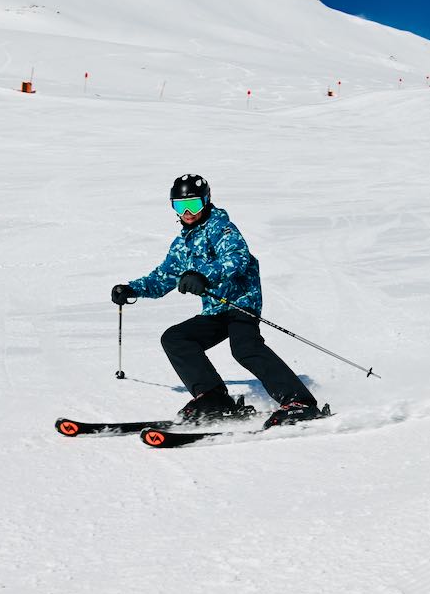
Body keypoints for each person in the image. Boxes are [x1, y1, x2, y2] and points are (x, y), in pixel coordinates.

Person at [111, 174, 320, 427]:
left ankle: (300, 402)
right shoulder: (183, 244)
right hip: (215, 310)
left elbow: (236, 259)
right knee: (176, 338)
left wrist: (204, 276)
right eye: (180, 206)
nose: (187, 212)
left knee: (245, 348)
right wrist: (132, 289)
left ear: (207, 202)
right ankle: (213, 398)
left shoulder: (223, 229)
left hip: (241, 303)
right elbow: (163, 277)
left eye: (194, 205)